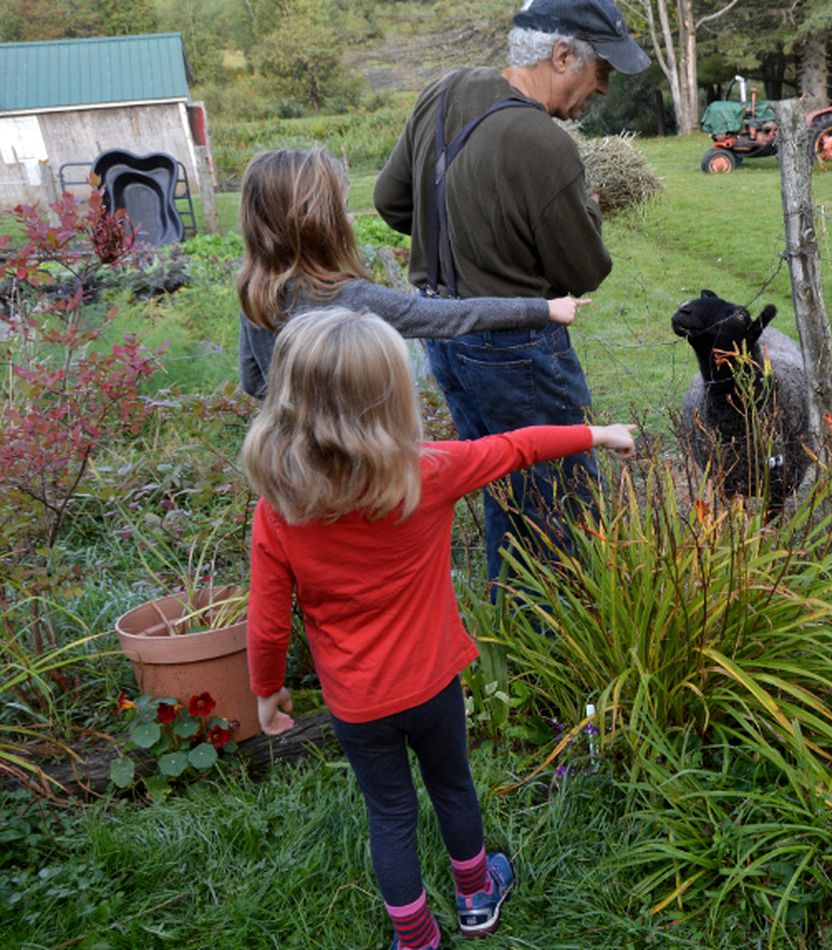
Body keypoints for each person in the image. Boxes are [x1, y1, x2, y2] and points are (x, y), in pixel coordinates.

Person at [243, 308, 635, 949]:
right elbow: (516, 447)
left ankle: (416, 937)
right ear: (391, 399)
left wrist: (267, 690)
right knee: (453, 783)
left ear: (290, 400)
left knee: (390, 811)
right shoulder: (427, 472)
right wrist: (599, 434)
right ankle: (477, 896)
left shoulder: (280, 507)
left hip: (356, 702)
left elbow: (265, 624)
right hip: (431, 685)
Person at [372, 0, 650, 583]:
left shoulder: (443, 92)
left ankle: (511, 648)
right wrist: (590, 210)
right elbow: (583, 271)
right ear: (563, 54)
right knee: (560, 509)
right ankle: (556, 649)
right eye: (601, 70)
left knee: (505, 488)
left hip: (443, 335)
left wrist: (464, 234)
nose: (601, 90)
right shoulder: (545, 144)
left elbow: (392, 203)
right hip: (516, 348)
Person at [235, 147, 587, 398]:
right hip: (355, 463)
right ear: (316, 223)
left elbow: (254, 382)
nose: (350, 219)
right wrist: (543, 308)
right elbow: (452, 316)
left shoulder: (256, 294)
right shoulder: (346, 298)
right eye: (342, 210)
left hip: (290, 467)